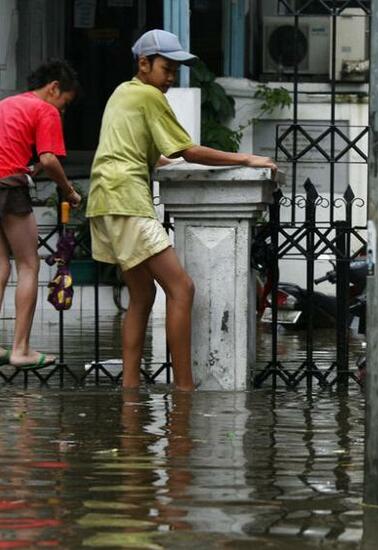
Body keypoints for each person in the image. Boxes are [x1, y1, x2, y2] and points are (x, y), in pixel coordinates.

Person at [87, 30, 276, 391]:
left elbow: (140, 151)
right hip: (126, 199)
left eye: (175, 70)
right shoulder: (147, 95)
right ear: (144, 64)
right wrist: (247, 157)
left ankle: (130, 389)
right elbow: (186, 151)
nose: (171, 77)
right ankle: (185, 389)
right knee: (182, 288)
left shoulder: (122, 93)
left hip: (105, 199)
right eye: (166, 68)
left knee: (142, 295)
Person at [0, 60, 82, 369]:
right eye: (65, 103)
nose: (62, 111)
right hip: (9, 186)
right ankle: (21, 348)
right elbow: (48, 159)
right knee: (29, 264)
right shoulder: (45, 109)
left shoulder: (8, 103)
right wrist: (69, 190)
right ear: (54, 88)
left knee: (0, 265)